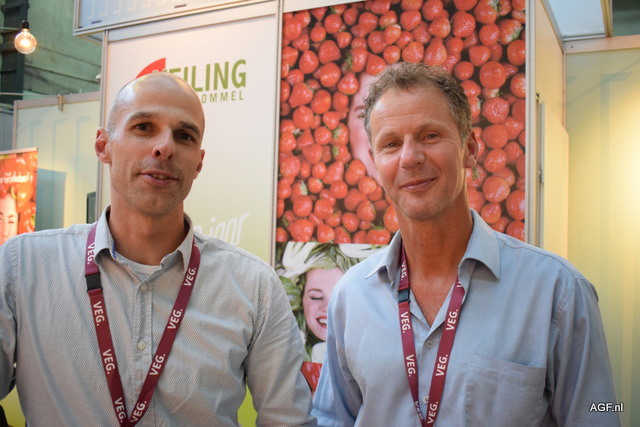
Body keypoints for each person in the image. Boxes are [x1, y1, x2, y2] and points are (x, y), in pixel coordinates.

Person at [313, 63, 620, 426]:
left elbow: (601, 412)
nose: (410, 157)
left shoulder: (558, 292)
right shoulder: (351, 297)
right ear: (376, 163)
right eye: (391, 144)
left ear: (469, 149)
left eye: (430, 135)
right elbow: (332, 419)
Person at [0, 72, 315, 426]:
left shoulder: (253, 285)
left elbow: (289, 419)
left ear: (198, 162)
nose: (165, 147)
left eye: (184, 136)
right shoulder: (22, 267)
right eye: (143, 127)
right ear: (103, 146)